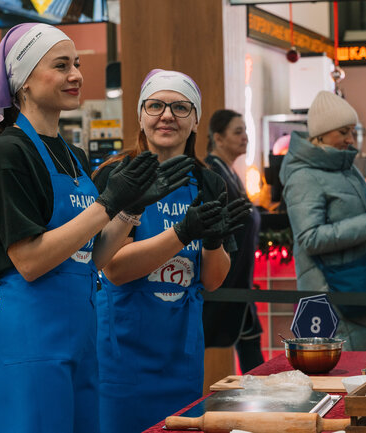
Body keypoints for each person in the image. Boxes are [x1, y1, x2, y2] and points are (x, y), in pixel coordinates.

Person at [0, 25, 192, 433]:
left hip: (79, 339)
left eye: (77, 64)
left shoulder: (72, 154)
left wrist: (129, 211)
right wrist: (107, 204)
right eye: (61, 65)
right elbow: (31, 260)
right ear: (22, 80)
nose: (76, 75)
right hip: (29, 343)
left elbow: (91, 258)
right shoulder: (10, 153)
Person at [93, 69, 251, 433]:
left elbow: (211, 281)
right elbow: (114, 268)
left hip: (181, 356)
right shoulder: (115, 177)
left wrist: (211, 241)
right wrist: (183, 233)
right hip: (121, 355)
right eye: (156, 105)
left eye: (181, 107)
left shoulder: (209, 182)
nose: (167, 115)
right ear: (141, 115)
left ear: (195, 120)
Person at [279, 90, 366, 351]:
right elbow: (309, 238)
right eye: (343, 132)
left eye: (352, 131)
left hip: (362, 285)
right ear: (321, 133)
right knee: (348, 379)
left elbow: (359, 219)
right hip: (332, 294)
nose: (350, 139)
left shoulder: (347, 168)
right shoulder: (303, 177)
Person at [203, 109, 264, 373]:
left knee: (253, 353)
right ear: (218, 138)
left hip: (240, 285)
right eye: (237, 132)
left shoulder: (229, 172)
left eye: (245, 131)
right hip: (223, 286)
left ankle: (263, 408)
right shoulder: (211, 175)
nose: (245, 138)